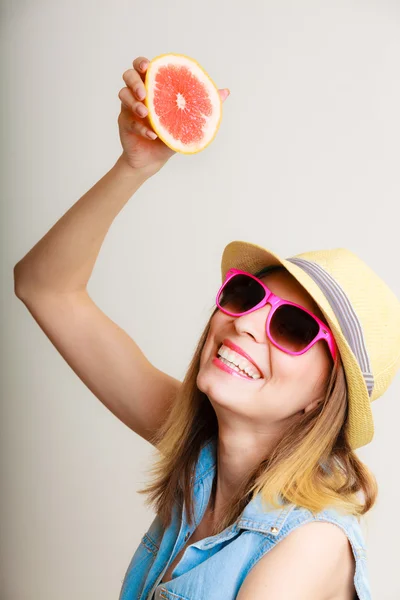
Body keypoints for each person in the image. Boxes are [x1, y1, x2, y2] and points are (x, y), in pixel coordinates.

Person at [13, 56, 400, 600]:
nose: (247, 326)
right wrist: (135, 166)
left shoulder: (310, 548)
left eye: (291, 327)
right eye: (247, 295)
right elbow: (43, 287)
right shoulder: (200, 452)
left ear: (322, 396)